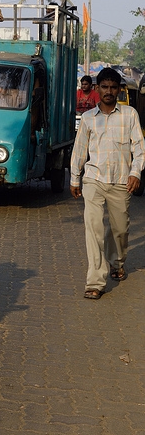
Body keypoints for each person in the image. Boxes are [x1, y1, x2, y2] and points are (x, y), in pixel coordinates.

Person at [70, 67, 145, 300]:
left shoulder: (129, 115)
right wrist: (75, 177)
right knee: (93, 229)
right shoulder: (89, 118)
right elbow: (80, 149)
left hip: (122, 181)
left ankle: (117, 261)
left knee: (120, 229)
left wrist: (135, 173)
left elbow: (139, 148)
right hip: (94, 179)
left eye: (113, 87)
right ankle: (95, 281)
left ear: (119, 90)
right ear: (97, 89)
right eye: (104, 87)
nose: (109, 91)